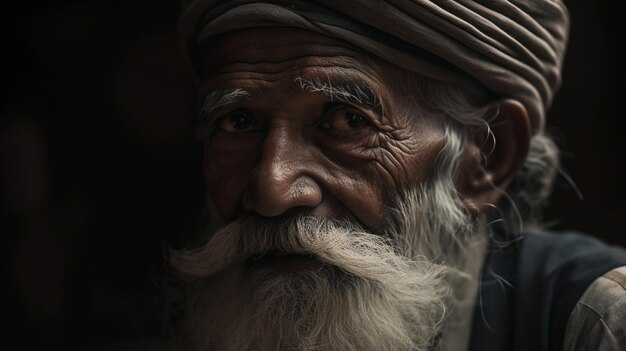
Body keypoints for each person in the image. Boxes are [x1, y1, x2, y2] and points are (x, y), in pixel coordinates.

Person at [169, 1, 626, 350]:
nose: (272, 189)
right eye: (238, 122)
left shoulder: (599, 320)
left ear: (486, 157)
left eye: (349, 121)